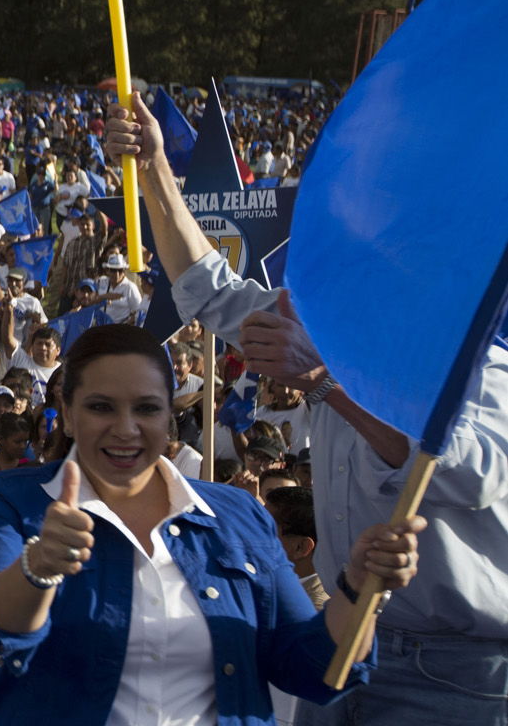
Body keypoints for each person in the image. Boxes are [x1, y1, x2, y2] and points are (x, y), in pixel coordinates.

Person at [106, 92, 508, 726]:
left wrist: (324, 380)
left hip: (457, 677)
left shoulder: (475, 363)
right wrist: (155, 168)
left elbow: (469, 467)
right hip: (345, 640)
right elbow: (207, 289)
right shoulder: (321, 330)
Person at [0, 324, 426, 726]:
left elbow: (315, 668)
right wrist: (39, 567)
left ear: (169, 414)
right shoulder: (14, 501)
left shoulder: (240, 514)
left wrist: (360, 589)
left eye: (146, 408)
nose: (125, 428)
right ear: (69, 412)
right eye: (101, 407)